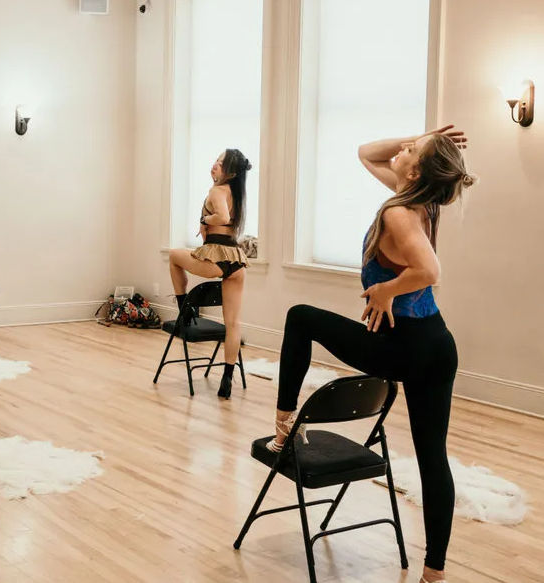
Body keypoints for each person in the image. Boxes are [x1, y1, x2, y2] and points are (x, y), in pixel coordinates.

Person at [267, 125, 472, 583]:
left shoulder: (400, 212)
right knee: (432, 459)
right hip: (438, 345)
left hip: (404, 348)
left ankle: (283, 427)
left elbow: (430, 270)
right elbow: (366, 152)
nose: (399, 149)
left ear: (416, 170)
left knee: (300, 316)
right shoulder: (420, 200)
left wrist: (385, 289)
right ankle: (434, 573)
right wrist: (424, 138)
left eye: (410, 150)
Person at [168, 149, 251, 399]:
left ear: (231, 172)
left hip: (216, 257)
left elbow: (222, 218)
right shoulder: (237, 194)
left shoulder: (216, 192)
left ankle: (185, 307)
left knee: (174, 255)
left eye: (221, 163)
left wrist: (206, 218)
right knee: (233, 323)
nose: (215, 165)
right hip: (236, 261)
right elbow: (230, 220)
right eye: (216, 160)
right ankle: (227, 377)